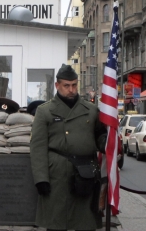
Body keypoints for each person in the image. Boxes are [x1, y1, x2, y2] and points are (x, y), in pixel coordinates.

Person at [30, 64, 107, 231]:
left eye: (74, 85)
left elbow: (100, 137)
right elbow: (38, 147)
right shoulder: (45, 111)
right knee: (57, 223)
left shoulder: (91, 110)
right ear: (57, 86)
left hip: (85, 173)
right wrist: (41, 179)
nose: (71, 90)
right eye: (66, 86)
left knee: (84, 223)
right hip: (57, 175)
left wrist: (109, 143)